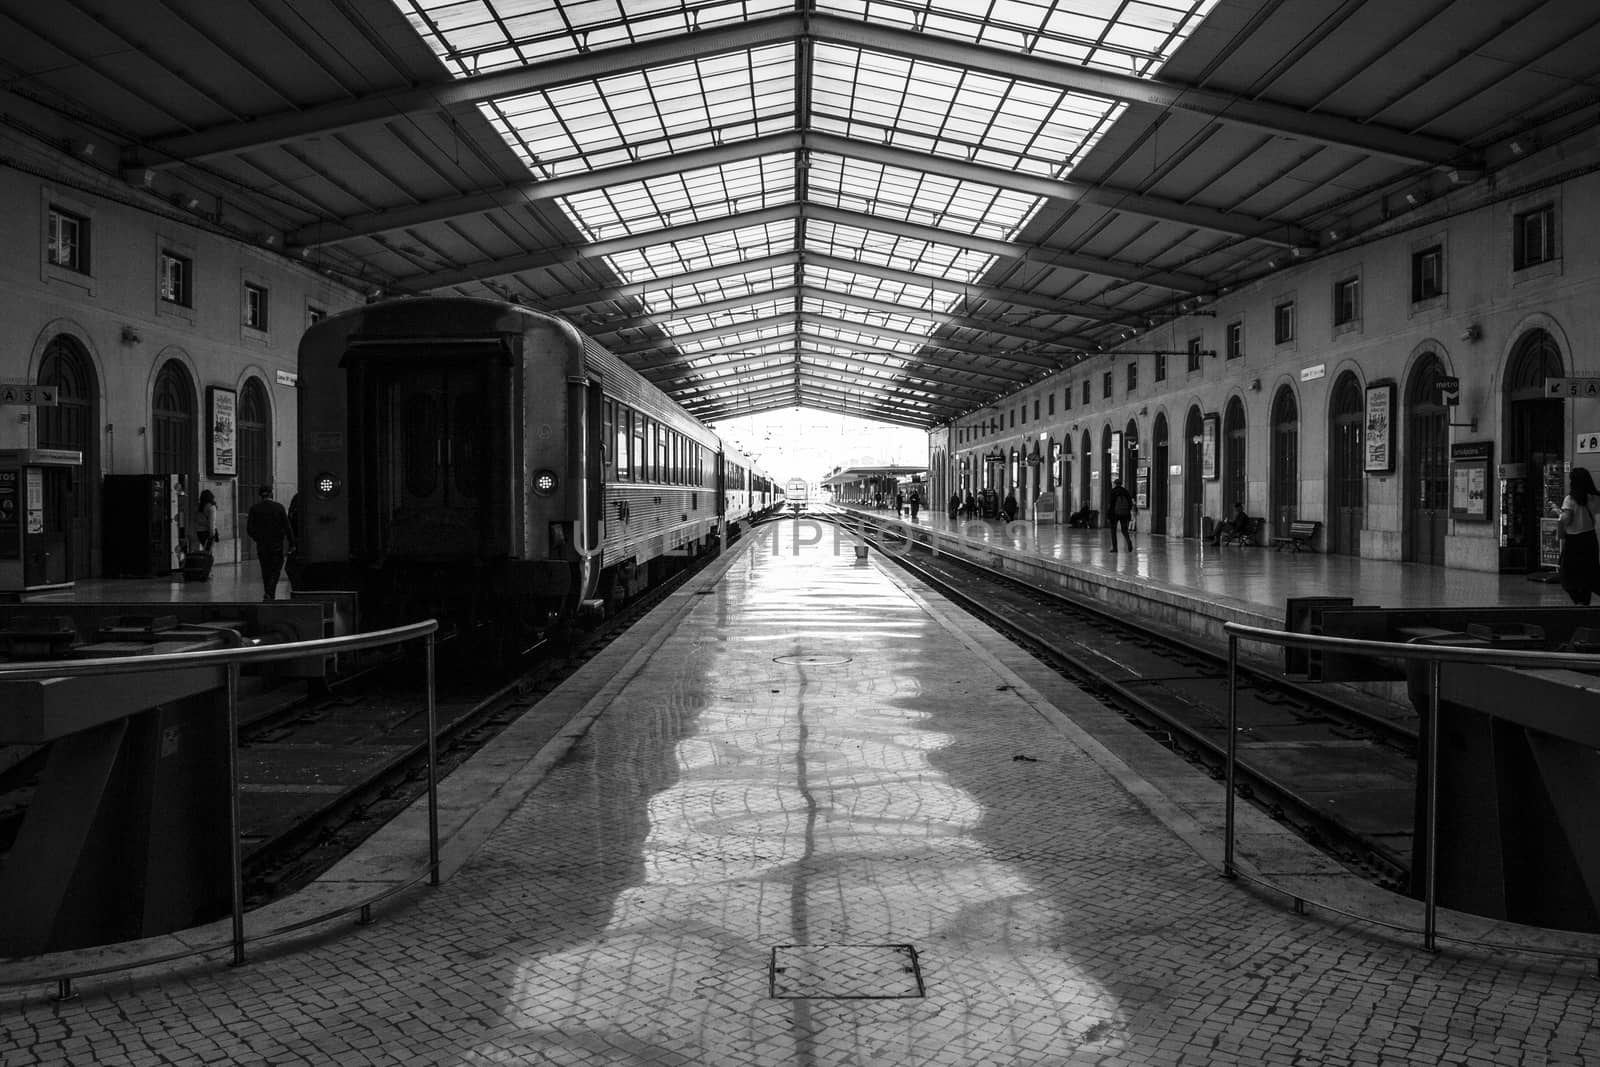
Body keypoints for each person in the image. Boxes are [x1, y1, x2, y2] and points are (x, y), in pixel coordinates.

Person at [1557, 466, 1600, 605]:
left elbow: (1567, 520)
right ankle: (1584, 602)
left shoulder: (1569, 499)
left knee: (1567, 576)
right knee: (1589, 573)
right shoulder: (1593, 497)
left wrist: (1559, 513)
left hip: (1574, 541)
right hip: (1590, 539)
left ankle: (1580, 603)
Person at [247, 484, 295, 601]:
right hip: (276, 544)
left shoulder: (254, 509)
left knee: (265, 570)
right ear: (271, 494)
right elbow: (287, 527)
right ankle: (269, 593)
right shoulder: (279, 507)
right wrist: (292, 543)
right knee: (276, 569)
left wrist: (258, 538)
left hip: (262, 545)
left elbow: (250, 529)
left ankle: (269, 594)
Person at [1107, 478, 1134, 552]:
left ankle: (1115, 548)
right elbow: (1130, 504)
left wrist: (1108, 515)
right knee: (1124, 530)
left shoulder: (1113, 491)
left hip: (1115, 514)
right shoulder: (1126, 491)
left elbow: (1111, 504)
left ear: (1115, 484)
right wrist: (1128, 513)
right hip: (1124, 514)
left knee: (1113, 531)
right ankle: (1128, 541)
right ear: (1121, 484)